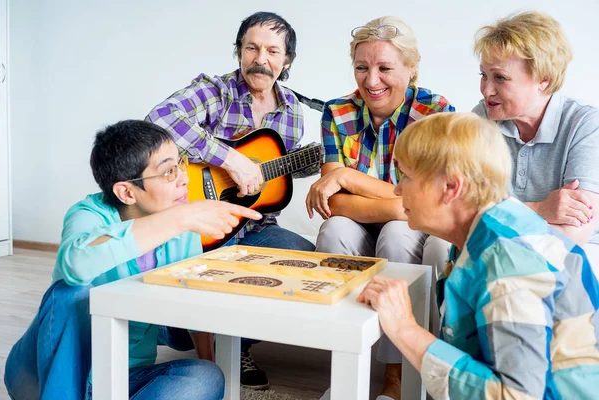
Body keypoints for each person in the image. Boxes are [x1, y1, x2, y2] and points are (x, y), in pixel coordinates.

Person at [4, 120, 262, 400]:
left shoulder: (182, 227)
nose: (184, 178)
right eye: (168, 172)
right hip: (44, 378)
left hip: (122, 376)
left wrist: (209, 365)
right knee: (70, 292)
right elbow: (75, 264)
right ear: (126, 192)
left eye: (181, 163)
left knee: (205, 377)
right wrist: (180, 218)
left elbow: (193, 306)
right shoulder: (88, 214)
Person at [359, 112, 599, 399]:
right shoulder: (482, 234)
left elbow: (515, 395)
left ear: (451, 187)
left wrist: (404, 329)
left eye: (407, 176)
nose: (398, 189)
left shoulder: (509, 261)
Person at [146, 11, 315, 390]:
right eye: (251, 47)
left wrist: (316, 163)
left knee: (308, 261)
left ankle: (235, 342)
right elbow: (158, 119)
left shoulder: (292, 111)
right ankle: (174, 331)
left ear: (286, 61)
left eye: (273, 50)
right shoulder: (216, 91)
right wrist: (231, 160)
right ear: (239, 51)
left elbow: (275, 172)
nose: (261, 58)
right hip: (200, 221)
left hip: (256, 226)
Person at [305, 16, 453, 400]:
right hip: (364, 220)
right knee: (335, 230)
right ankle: (343, 368)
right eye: (362, 67)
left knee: (399, 234)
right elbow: (333, 204)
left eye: (385, 67)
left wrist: (351, 179)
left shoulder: (434, 110)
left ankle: (396, 376)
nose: (371, 81)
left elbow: (423, 204)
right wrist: (396, 203)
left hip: (411, 226)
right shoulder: (337, 111)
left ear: (411, 68)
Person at [472, 11, 599, 275]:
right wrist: (539, 209)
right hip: (500, 239)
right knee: (439, 246)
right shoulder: (482, 118)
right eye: (483, 75)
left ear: (544, 80)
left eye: (500, 78)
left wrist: (502, 227)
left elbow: (576, 228)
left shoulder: (585, 124)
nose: (486, 90)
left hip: (578, 246)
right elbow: (464, 208)